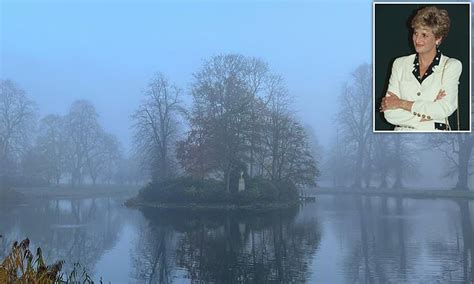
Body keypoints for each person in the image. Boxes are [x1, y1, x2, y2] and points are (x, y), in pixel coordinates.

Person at [380, 6, 462, 131]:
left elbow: (444, 109)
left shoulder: (451, 65)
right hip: (400, 140)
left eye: (424, 35)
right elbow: (389, 113)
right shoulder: (399, 64)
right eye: (415, 33)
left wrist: (400, 103)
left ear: (438, 38)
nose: (417, 39)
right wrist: (429, 113)